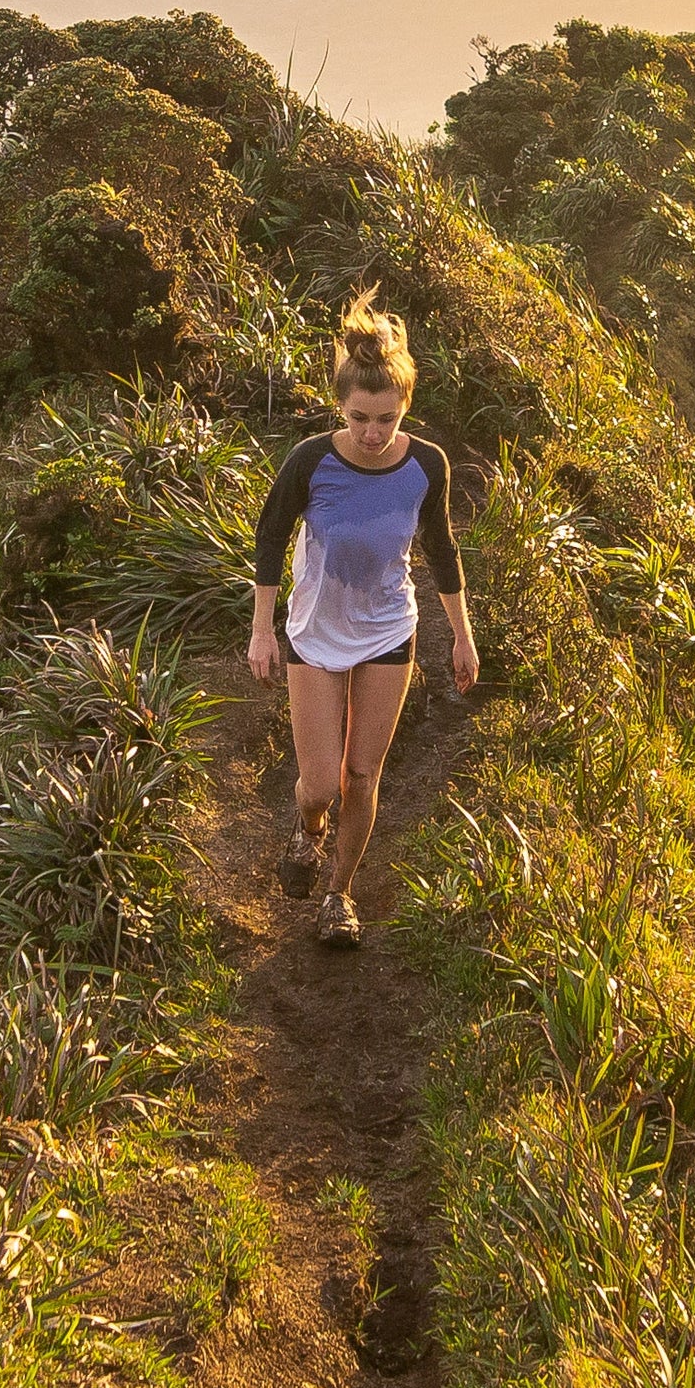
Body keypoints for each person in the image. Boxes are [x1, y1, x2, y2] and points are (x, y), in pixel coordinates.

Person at [248, 290, 478, 946]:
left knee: (360, 776)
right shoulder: (311, 461)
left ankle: (338, 896)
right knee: (320, 785)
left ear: (404, 406)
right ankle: (308, 828)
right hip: (316, 632)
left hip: (387, 630)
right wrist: (262, 630)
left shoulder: (426, 465)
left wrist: (462, 638)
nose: (373, 433)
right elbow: (269, 538)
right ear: (339, 406)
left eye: (385, 418)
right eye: (359, 418)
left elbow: (441, 550)